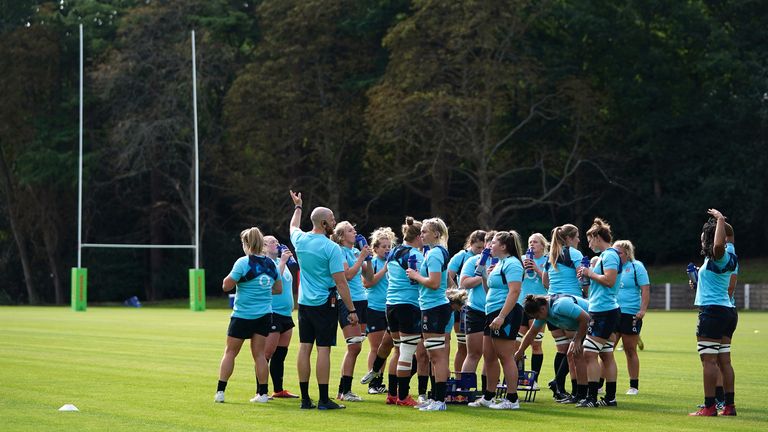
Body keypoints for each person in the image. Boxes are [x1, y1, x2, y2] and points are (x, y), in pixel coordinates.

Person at [288, 190, 357, 410]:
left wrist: (298, 207)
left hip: (305, 304)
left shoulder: (300, 240)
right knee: (323, 349)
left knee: (304, 348)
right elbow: (341, 282)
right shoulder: (331, 248)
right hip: (326, 304)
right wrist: (352, 310)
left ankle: (305, 399)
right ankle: (324, 399)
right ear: (325, 223)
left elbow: (292, 227)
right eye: (333, 220)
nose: (335, 223)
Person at [215, 227, 282, 404]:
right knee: (259, 355)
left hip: (242, 315)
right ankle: (263, 394)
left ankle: (220, 392)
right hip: (264, 315)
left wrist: (242, 282)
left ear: (246, 244)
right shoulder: (271, 264)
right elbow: (278, 289)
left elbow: (226, 286)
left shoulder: (243, 262)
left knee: (230, 353)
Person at [468, 231, 525, 410]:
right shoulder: (499, 263)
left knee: (505, 357)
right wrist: (484, 273)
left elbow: (514, 292)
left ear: (503, 246)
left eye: (493, 243)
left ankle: (512, 399)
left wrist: (501, 316)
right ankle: (488, 396)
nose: (489, 246)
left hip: (505, 313)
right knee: (489, 356)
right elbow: (488, 289)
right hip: (491, 312)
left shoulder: (513, 264)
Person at [689, 209, 738, 417]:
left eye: (703, 239)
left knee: (708, 361)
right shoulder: (727, 255)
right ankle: (729, 406)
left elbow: (718, 244)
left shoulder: (720, 253)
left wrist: (719, 220)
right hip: (726, 310)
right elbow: (728, 238)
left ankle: (709, 407)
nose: (701, 242)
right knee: (724, 361)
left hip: (712, 312)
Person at [407, 218, 452, 412]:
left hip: (434, 307)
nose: (421, 234)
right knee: (435, 355)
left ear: (436, 234)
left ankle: (439, 400)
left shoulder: (434, 253)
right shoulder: (434, 252)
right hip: (433, 306)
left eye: (425, 231)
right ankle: (436, 398)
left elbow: (434, 283)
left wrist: (416, 276)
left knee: (437, 356)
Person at [577, 218, 621, 408]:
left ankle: (592, 398)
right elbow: (599, 282)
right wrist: (586, 279)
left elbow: (610, 280)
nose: (589, 244)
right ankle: (610, 398)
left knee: (589, 353)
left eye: (590, 240)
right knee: (606, 354)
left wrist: (590, 273)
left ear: (596, 237)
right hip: (603, 309)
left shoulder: (609, 255)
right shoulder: (605, 256)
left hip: (604, 311)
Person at [516, 293, 591, 403]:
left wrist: (578, 340)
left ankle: (584, 395)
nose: (537, 319)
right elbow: (532, 333)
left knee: (578, 354)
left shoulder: (560, 305)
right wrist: (520, 351)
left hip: (596, 321)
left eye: (536, 316)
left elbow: (586, 318)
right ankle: (579, 394)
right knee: (572, 354)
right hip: (587, 324)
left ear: (542, 309)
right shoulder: (543, 313)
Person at [382, 217, 425, 407]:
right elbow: (423, 280)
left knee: (398, 351)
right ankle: (403, 396)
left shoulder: (393, 252)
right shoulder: (416, 254)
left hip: (390, 304)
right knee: (407, 352)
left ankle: (392, 394)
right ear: (418, 237)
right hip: (409, 304)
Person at [331, 221, 373, 402]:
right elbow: (346, 275)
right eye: (350, 230)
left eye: (354, 229)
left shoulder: (356, 252)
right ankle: (344, 391)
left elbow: (369, 278)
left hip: (362, 300)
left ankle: (345, 390)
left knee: (357, 347)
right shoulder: (339, 252)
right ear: (341, 236)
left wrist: (368, 257)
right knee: (354, 346)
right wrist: (361, 257)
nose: (354, 231)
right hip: (348, 301)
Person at [542, 224, 585, 400]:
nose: (578, 240)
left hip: (551, 305)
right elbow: (582, 277)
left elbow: (545, 281)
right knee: (574, 351)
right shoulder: (574, 254)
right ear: (568, 239)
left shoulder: (551, 255)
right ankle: (575, 390)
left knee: (564, 349)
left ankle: (559, 384)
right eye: (576, 237)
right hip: (569, 305)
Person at [459, 231, 496, 399]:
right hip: (475, 310)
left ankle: (486, 392)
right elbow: (464, 283)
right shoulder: (473, 261)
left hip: (494, 311)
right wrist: (481, 275)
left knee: (490, 355)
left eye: (494, 243)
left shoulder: (504, 263)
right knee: (473, 353)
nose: (490, 246)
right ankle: (464, 391)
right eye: (489, 243)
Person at [262, 235, 299, 398]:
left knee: (280, 355)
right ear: (263, 247)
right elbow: (273, 281)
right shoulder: (266, 263)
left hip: (286, 315)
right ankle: (260, 391)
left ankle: (278, 390)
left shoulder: (280, 262)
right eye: (272, 242)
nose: (277, 244)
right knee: (266, 354)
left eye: (277, 242)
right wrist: (283, 262)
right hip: (273, 313)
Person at [612, 240, 650, 396]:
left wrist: (642, 310)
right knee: (607, 349)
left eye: (618, 252)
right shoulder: (611, 267)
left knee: (629, 349)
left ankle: (633, 385)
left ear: (627, 253)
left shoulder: (636, 267)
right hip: (612, 311)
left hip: (630, 313)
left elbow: (645, 290)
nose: (615, 255)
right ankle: (600, 383)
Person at [362, 227, 397, 394]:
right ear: (375, 249)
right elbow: (367, 283)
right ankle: (372, 383)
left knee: (387, 348)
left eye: (389, 246)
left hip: (390, 309)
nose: (387, 249)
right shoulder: (373, 263)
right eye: (383, 246)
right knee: (376, 347)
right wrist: (384, 270)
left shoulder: (395, 264)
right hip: (374, 308)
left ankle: (379, 382)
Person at [447, 230, 486, 374]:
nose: (480, 251)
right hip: (463, 306)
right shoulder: (462, 256)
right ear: (471, 244)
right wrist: (458, 294)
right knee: (463, 346)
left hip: (480, 306)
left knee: (482, 349)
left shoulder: (488, 258)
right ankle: (459, 379)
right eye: (478, 248)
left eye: (483, 247)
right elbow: (448, 276)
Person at [519, 233, 549, 388]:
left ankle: (534, 380)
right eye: (530, 242)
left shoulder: (547, 261)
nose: (532, 244)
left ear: (543, 245)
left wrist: (537, 269)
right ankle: (520, 377)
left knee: (536, 344)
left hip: (538, 306)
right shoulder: (522, 259)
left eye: (535, 242)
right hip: (521, 304)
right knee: (518, 343)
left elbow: (549, 284)